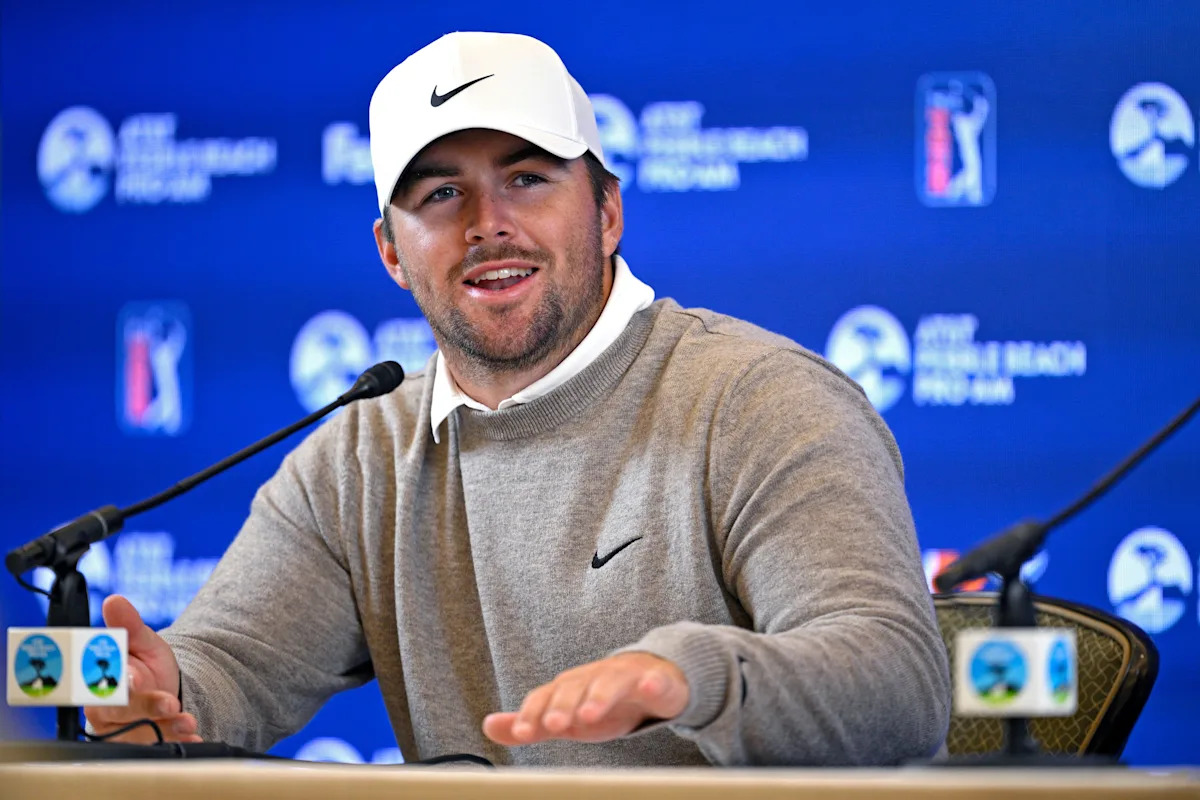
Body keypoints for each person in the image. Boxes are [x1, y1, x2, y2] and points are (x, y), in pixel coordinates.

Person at [84, 31, 950, 766]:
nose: (487, 223)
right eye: (441, 194)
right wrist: (168, 693)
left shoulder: (758, 401)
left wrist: (690, 676)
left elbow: (898, 682)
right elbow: (230, 668)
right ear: (392, 253)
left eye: (527, 178)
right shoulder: (359, 455)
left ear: (606, 213)